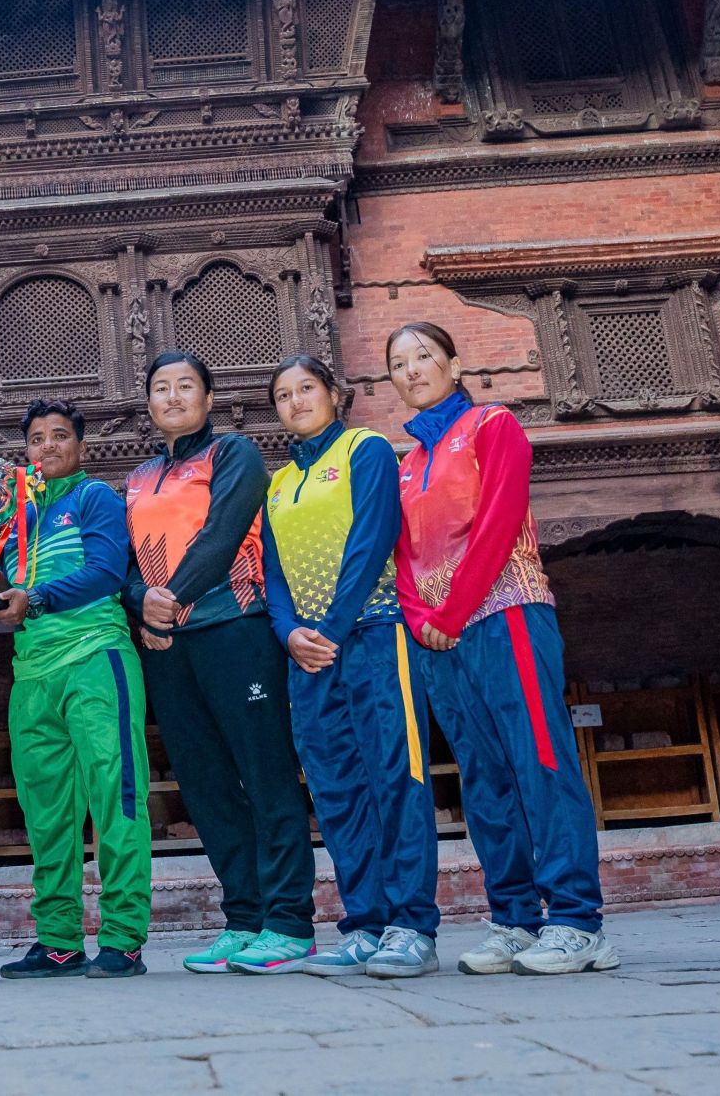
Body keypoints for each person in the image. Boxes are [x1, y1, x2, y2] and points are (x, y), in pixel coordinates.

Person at [386, 322, 617, 976]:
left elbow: (499, 517)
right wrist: (422, 617)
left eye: (424, 355)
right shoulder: (405, 465)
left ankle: (577, 920)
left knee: (539, 758)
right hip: (437, 637)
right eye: (399, 364)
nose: (412, 370)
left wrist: (453, 610)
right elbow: (401, 556)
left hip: (506, 611)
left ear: (455, 362)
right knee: (483, 776)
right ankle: (515, 918)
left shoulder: (494, 426)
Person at [124, 350, 318, 975]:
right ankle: (244, 917)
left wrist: (169, 599)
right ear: (148, 404)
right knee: (205, 786)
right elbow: (125, 567)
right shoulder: (137, 476)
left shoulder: (232, 454)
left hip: (235, 629)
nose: (174, 397)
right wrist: (143, 607)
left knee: (265, 775)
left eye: (187, 387)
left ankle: (289, 921)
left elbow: (224, 532)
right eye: (161, 388)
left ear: (209, 400)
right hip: (170, 649)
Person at [259, 355, 441, 980]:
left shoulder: (366, 450)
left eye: (306, 389)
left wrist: (329, 630)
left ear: (334, 394)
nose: (295, 401)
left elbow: (374, 538)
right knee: (336, 789)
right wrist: (288, 635)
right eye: (283, 395)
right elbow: (273, 574)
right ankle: (365, 923)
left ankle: (412, 926)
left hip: (372, 635)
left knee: (396, 775)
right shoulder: (278, 483)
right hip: (307, 656)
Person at [0, 400, 152, 981]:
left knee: (116, 797)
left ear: (81, 447)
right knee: (46, 814)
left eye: (59, 437)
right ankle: (58, 941)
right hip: (31, 674)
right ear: (24, 451)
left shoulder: (93, 498)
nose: (47, 446)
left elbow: (107, 571)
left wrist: (38, 600)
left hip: (94, 660)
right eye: (36, 439)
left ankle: (124, 938)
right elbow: (1, 588)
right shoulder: (12, 517)